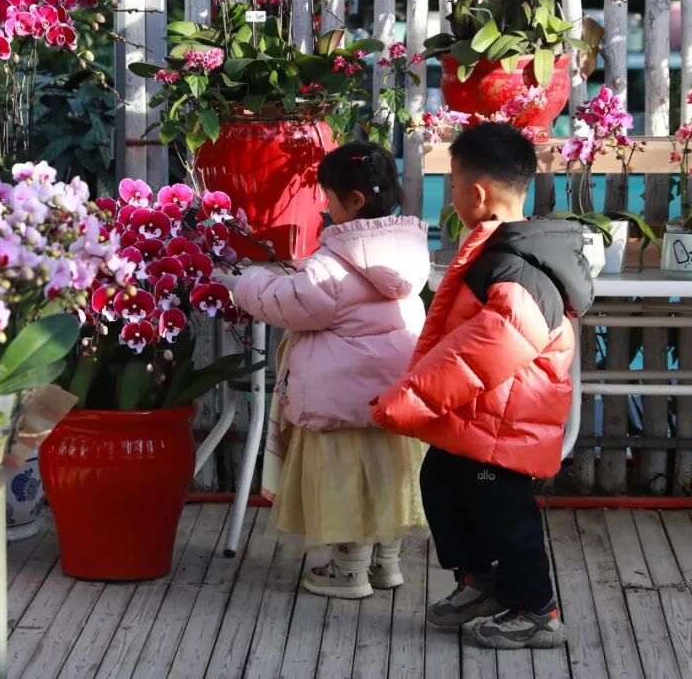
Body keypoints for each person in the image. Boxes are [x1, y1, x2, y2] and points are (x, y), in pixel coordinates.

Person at [371, 123, 594, 649]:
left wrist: (407, 400)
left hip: (506, 428)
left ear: (475, 195)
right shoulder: (500, 251)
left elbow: (478, 354)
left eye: (451, 185)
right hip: (482, 420)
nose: (450, 194)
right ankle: (482, 581)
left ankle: (536, 610)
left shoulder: (519, 270)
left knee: (506, 517)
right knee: (442, 481)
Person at [233, 141, 430, 600]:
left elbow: (284, 303)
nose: (325, 205)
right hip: (392, 404)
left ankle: (349, 571)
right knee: (388, 486)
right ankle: (386, 564)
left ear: (354, 200)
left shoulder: (331, 265)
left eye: (328, 197)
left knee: (345, 490)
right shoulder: (410, 253)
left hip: (340, 407)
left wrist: (247, 280)